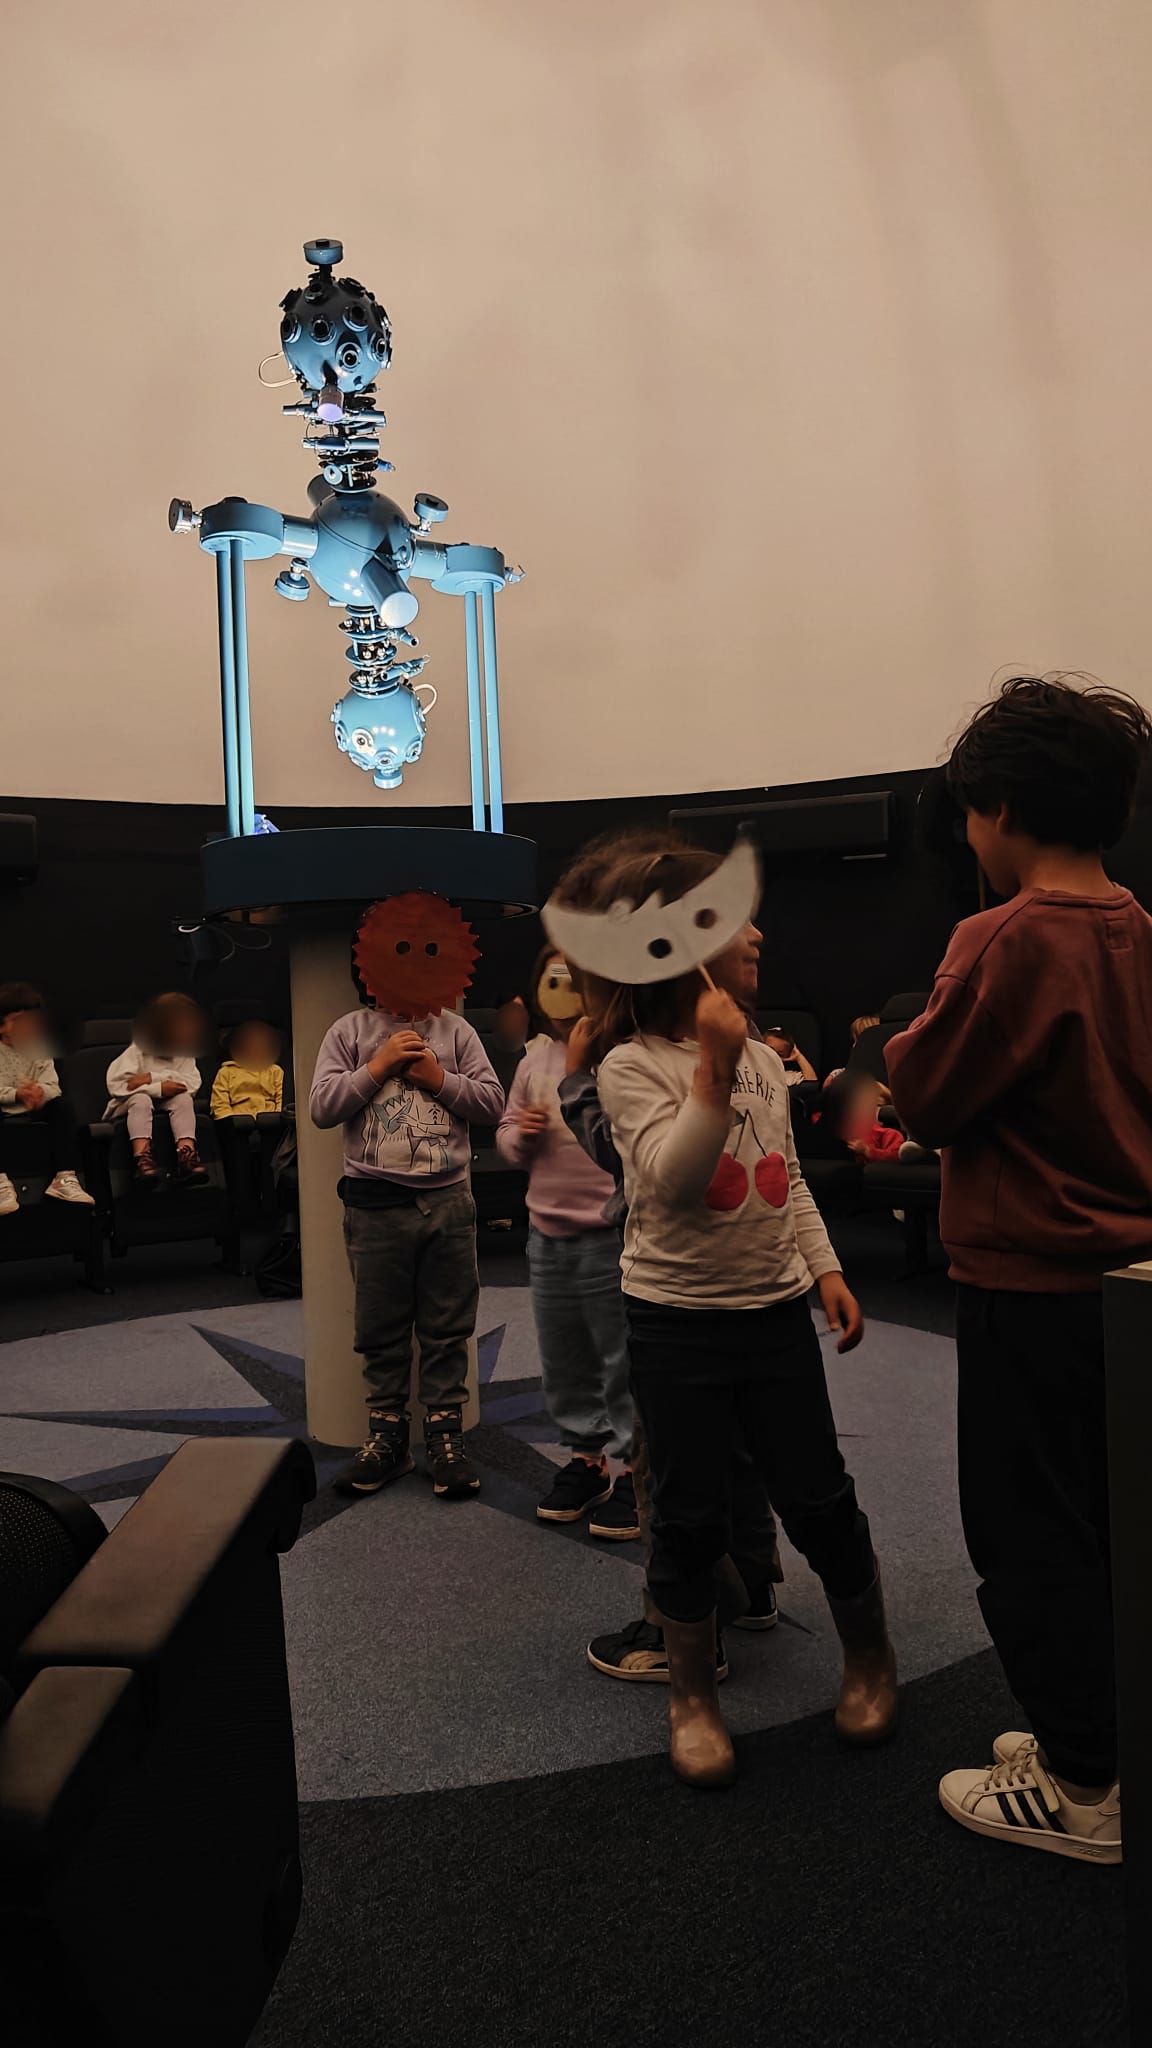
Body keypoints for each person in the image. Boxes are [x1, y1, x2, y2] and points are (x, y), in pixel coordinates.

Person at [887, 674, 1152, 1865]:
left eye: (967, 813)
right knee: (1114, 1522)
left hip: (1029, 1292)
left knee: (1032, 1534)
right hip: (1131, 1289)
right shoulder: (1140, 927)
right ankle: (1105, 1732)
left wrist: (896, 1044)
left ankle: (1084, 1783)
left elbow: (929, 1095)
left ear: (998, 807)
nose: (967, 834)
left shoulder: (1001, 935)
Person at [589, 837, 897, 1784]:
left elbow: (787, 1176)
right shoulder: (632, 1065)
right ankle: (692, 1696)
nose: (758, 934)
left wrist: (825, 1268)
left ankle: (870, 1657)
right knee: (686, 1516)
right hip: (675, 1324)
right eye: (734, 920)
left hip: (773, 1317)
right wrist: (713, 1071)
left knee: (818, 1497)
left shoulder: (763, 1057)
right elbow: (673, 1183)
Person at [311, 988, 504, 1500]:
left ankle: (445, 1435)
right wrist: (378, 1067)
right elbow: (322, 1108)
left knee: (448, 1324)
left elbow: (492, 1103)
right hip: (374, 1203)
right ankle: (388, 1436)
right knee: (380, 1327)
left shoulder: (455, 1030)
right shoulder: (349, 1031)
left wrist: (436, 1078)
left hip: (447, 1200)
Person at [496, 946, 637, 1537]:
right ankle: (586, 1459)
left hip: (611, 1236)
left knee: (622, 1358)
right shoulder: (534, 1059)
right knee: (565, 1357)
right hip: (546, 1235)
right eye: (553, 980)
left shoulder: (624, 1058)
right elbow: (506, 1131)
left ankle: (637, 1470)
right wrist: (521, 1137)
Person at [0, 982, 95, 1215]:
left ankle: (64, 1178)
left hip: (35, 1107)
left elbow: (53, 1086)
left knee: (63, 1107)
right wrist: (18, 1094)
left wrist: (39, 1093)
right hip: (5, 1108)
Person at [104, 992, 209, 1187]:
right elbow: (118, 1085)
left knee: (184, 1099)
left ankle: (187, 1156)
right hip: (129, 1103)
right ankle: (142, 1159)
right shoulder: (139, 1049)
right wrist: (159, 1087)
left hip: (165, 1101)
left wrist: (149, 1079)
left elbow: (191, 1084)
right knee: (141, 1100)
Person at [211, 1017, 286, 1118]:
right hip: (237, 1121)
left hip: (270, 1120)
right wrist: (232, 1121)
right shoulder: (225, 1072)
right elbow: (219, 1105)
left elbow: (282, 1099)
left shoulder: (275, 1071)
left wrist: (277, 1118)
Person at [824, 1014, 880, 1085]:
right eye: (854, 1041)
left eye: (861, 1040)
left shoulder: (889, 1073)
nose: (854, 1045)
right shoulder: (836, 1078)